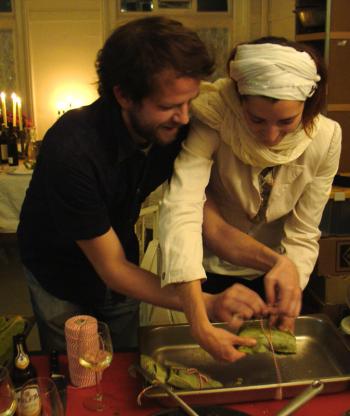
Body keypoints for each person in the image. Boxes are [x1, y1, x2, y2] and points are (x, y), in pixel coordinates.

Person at [17, 16, 269, 359]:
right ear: (123, 95)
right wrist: (205, 305)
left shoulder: (175, 127)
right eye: (167, 106)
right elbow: (113, 268)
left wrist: (275, 262)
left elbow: (204, 218)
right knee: (77, 372)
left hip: (121, 261)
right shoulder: (72, 148)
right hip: (58, 272)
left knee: (122, 361)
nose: (183, 118)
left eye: (188, 102)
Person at [159, 37, 342, 359]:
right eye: (256, 120)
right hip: (205, 269)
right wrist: (200, 321)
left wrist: (292, 285)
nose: (270, 136)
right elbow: (184, 207)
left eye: (286, 121)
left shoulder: (326, 138)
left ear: (307, 107)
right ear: (239, 100)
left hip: (274, 274)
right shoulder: (214, 117)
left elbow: (303, 231)